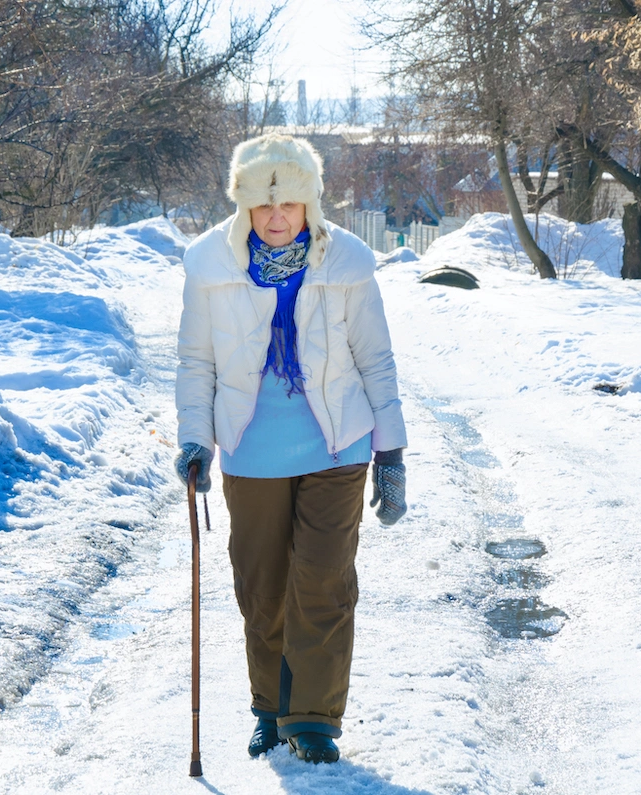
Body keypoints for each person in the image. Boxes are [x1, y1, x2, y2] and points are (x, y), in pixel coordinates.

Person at [173, 133, 408, 764]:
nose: (278, 219)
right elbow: (196, 361)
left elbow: (376, 359)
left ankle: (314, 719)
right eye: (264, 207)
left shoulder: (347, 264)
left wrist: (391, 452)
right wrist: (195, 438)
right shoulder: (211, 268)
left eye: (291, 206)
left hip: (338, 445)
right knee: (263, 586)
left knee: (325, 581)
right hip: (251, 449)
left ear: (311, 206)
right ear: (245, 209)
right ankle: (270, 708)